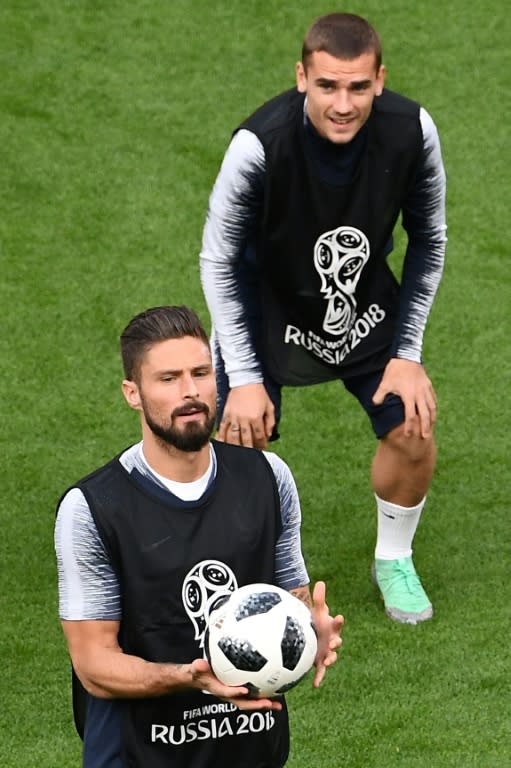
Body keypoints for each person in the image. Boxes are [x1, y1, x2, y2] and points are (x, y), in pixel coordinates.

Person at [200, 12, 447, 625]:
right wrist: (247, 376)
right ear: (302, 76)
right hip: (266, 304)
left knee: (413, 429)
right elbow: (219, 260)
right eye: (328, 85)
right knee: (236, 442)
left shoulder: (412, 131)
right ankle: (248, 584)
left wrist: (408, 354)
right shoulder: (258, 145)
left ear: (380, 80)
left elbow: (429, 241)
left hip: (362, 299)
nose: (343, 103)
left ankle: (393, 559)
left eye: (358, 87)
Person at [55, 304, 343, 768]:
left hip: (249, 747)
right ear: (133, 393)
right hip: (136, 755)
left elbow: (288, 602)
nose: (190, 392)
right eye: (168, 379)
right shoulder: (93, 508)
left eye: (201, 372)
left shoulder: (268, 478)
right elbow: (93, 665)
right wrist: (190, 677)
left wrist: (310, 633)